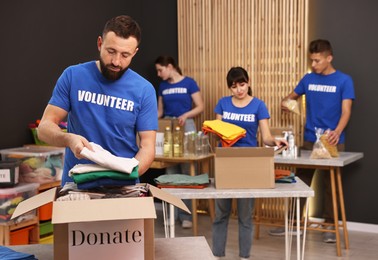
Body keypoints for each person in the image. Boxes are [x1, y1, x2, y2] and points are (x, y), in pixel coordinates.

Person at [37, 15, 158, 185]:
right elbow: (44, 128)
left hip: (124, 187)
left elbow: (147, 147)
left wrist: (129, 173)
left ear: (135, 52)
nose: (116, 61)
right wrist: (68, 139)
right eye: (111, 51)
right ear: (100, 43)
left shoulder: (144, 90)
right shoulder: (73, 76)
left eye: (125, 55)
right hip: (77, 185)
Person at [269, 39, 355, 243]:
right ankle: (294, 224)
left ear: (329, 58)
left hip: (333, 141)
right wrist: (286, 103)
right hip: (309, 139)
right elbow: (290, 98)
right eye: (311, 60)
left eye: (317, 60)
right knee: (299, 182)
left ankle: (329, 227)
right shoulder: (308, 79)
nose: (313, 64)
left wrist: (337, 131)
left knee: (330, 185)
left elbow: (346, 111)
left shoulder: (344, 81)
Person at [212, 67, 287, 260]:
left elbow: (266, 137)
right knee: (221, 214)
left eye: (242, 84)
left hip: (249, 162)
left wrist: (276, 141)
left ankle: (244, 257)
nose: (239, 90)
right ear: (229, 88)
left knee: (245, 216)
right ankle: (217, 255)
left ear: (249, 82)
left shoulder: (259, 106)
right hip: (226, 162)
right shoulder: (222, 104)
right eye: (234, 86)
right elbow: (218, 132)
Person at [155, 55, 204, 228]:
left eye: (160, 70)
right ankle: (171, 214)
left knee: (187, 172)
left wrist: (185, 115)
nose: (159, 74)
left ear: (170, 67)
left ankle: (187, 215)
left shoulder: (189, 83)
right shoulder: (162, 86)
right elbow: (159, 112)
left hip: (186, 125)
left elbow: (200, 106)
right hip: (168, 127)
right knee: (170, 173)